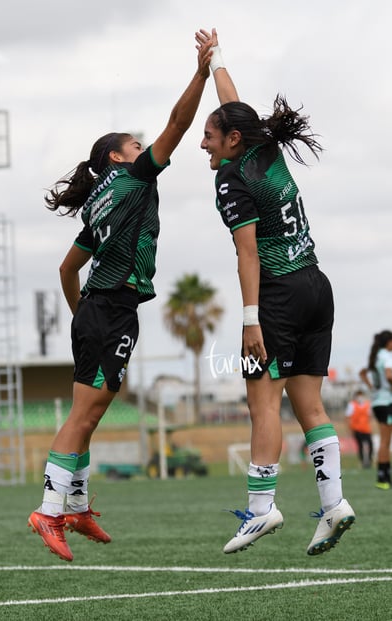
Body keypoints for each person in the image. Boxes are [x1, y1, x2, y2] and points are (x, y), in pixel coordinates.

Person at [27, 39, 213, 562]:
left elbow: (68, 268)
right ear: (117, 156)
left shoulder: (97, 203)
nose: (144, 147)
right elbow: (177, 125)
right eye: (135, 143)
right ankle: (49, 509)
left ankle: (79, 506)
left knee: (89, 412)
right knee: (84, 417)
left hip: (96, 309)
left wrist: (79, 313)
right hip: (111, 308)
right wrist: (199, 75)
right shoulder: (132, 179)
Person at [195, 28, 355, 556]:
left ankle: (261, 510)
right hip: (317, 284)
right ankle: (333, 504)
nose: (204, 144)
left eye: (210, 137)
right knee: (309, 406)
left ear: (231, 141)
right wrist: (215, 58)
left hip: (280, 294)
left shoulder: (230, 179)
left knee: (263, 406)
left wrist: (250, 321)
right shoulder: (262, 143)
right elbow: (232, 105)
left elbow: (247, 255)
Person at [360, 330, 392, 489]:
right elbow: (389, 375)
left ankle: (384, 476)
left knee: (384, 441)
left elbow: (362, 373)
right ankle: (383, 477)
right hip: (387, 402)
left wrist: (372, 387)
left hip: (378, 402)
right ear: (388, 342)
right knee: (386, 441)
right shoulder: (386, 355)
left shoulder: (375, 356)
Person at [344, 390, 373, 468]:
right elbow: (347, 417)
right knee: (360, 445)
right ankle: (362, 461)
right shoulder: (352, 405)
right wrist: (349, 428)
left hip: (366, 429)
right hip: (357, 429)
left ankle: (369, 460)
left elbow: (369, 416)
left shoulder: (367, 404)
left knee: (370, 444)